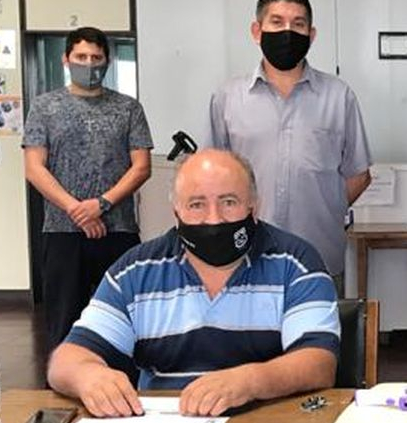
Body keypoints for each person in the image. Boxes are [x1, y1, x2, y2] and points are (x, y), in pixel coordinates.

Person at [46, 149, 340, 418]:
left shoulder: (295, 262)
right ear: (177, 213)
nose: (213, 220)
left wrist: (250, 381)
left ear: (254, 206)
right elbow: (66, 360)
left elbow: (318, 363)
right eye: (197, 205)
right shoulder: (135, 271)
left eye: (228, 202)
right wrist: (89, 377)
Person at [209, 0, 372, 281]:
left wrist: (326, 207)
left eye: (298, 24)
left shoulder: (339, 96)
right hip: (245, 257)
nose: (288, 32)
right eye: (277, 22)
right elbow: (211, 178)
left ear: (311, 35)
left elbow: (359, 175)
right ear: (257, 31)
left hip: (319, 256)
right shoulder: (227, 98)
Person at [22, 27, 153, 351]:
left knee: (127, 316)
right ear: (66, 59)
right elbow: (34, 168)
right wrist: (76, 209)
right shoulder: (44, 106)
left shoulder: (128, 108)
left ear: (107, 60)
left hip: (118, 229)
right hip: (62, 231)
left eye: (96, 57)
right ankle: (64, 377)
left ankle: (124, 376)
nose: (89, 64)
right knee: (64, 321)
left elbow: (141, 167)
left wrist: (101, 204)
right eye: (81, 57)